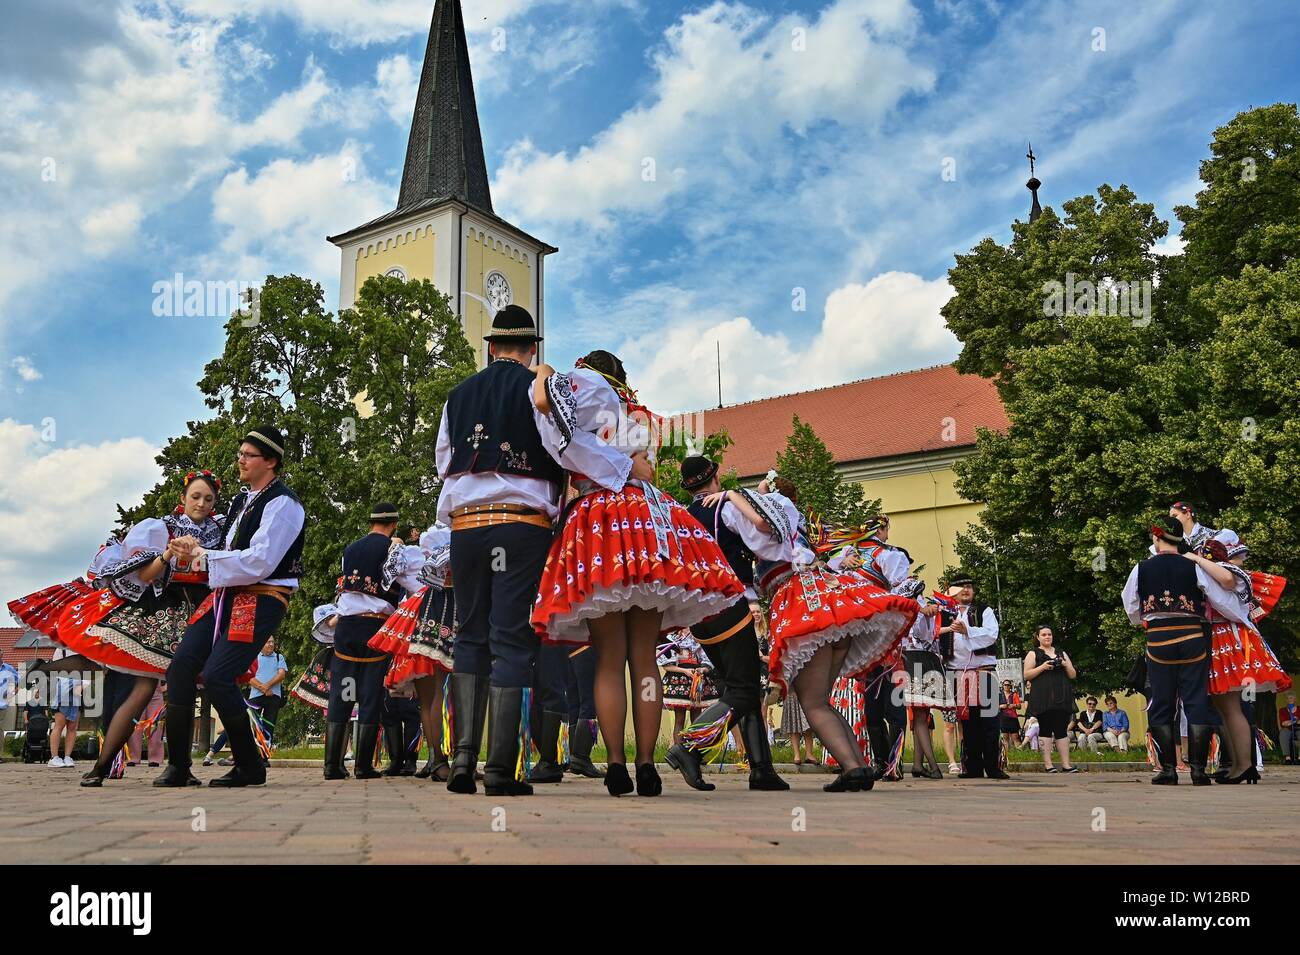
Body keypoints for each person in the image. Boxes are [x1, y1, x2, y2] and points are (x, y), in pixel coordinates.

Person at [439, 312, 644, 798]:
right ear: (531, 349)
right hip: (520, 524)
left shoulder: (457, 396)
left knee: (470, 636)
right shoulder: (543, 388)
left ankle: (462, 762)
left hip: (466, 526)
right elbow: (566, 448)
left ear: (491, 347)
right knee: (510, 639)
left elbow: (445, 461)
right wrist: (623, 469)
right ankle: (500, 770)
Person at [531, 350, 743, 797]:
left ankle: (614, 765)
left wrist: (544, 373)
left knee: (608, 659)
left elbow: (554, 420)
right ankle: (645, 764)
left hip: (603, 521)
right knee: (644, 659)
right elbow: (641, 464)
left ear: (589, 370)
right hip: (649, 521)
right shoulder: (639, 413)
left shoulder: (586, 387)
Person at [157, 426, 305, 788]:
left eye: (248, 455)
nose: (240, 459)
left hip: (261, 596)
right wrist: (186, 549)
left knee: (220, 676)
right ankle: (178, 767)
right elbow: (218, 546)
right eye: (240, 452)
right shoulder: (242, 502)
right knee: (181, 668)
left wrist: (205, 557)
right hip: (225, 595)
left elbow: (261, 561)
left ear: (270, 462)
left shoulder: (283, 503)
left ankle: (250, 765)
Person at [757, 479, 920, 792]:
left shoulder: (773, 521)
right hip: (834, 610)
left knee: (813, 702)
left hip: (806, 609)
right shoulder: (799, 526)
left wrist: (751, 497)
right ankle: (857, 766)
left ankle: (852, 767)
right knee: (822, 701)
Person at [665, 455, 791, 792]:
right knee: (745, 689)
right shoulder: (724, 507)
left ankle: (761, 768)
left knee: (736, 686)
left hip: (697, 613)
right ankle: (689, 749)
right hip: (730, 603)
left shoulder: (681, 515)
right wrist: (736, 495)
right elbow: (768, 530)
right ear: (715, 479)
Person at [1121, 514, 1252, 786]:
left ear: (1157, 538)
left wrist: (1148, 617)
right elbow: (1216, 598)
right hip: (1193, 637)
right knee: (1196, 701)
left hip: (1159, 639)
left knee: (1162, 703)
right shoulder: (1193, 565)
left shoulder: (1141, 568)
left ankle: (1168, 770)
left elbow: (1131, 607)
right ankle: (1198, 771)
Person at [324, 503, 419, 781]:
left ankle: (332, 766)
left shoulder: (350, 549)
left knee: (342, 690)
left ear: (371, 522)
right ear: (393, 524)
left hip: (346, 625)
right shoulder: (393, 549)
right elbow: (414, 584)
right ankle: (363, 766)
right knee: (370, 693)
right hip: (375, 625)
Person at [1188, 538, 1290, 784]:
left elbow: (1226, 581)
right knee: (1225, 708)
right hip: (1222, 639)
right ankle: (1239, 764)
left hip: (1230, 638)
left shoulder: (1232, 572)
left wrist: (1195, 559)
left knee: (1231, 708)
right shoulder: (1226, 571)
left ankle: (1245, 765)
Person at [368, 522, 454, 781]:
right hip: (450, 611)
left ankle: (436, 760)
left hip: (420, 612)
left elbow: (389, 574)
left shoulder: (414, 554)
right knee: (449, 692)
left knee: (428, 698)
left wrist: (398, 545)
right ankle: (453, 759)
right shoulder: (459, 540)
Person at [945, 574, 1007, 779]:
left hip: (984, 672)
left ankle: (993, 767)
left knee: (990, 722)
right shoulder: (945, 612)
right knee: (968, 724)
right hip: (959, 674)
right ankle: (972, 767)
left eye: (969, 586)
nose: (966, 589)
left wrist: (967, 630)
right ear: (951, 591)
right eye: (961, 586)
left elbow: (991, 633)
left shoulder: (983, 610)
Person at [898, 576, 951, 778]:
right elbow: (915, 631)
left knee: (923, 712)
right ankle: (933, 765)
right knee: (919, 713)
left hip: (924, 657)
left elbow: (927, 634)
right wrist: (923, 613)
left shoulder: (921, 604)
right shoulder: (902, 603)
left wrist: (929, 615)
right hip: (910, 657)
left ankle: (919, 764)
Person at [1023, 625, 1078, 773]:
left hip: (1061, 696)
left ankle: (1066, 765)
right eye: (1044, 635)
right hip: (1042, 697)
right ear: (1038, 637)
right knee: (1045, 728)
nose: (1047, 637)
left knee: (1061, 729)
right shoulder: (1033, 653)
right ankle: (1049, 765)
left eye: (1049, 634)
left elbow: (1072, 675)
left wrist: (1065, 664)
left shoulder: (1061, 652)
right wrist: (1043, 667)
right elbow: (1027, 675)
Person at [998, 680, 1023, 751]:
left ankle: (1019, 755)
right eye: (1005, 685)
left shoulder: (1014, 694)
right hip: (1003, 718)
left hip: (1013, 718)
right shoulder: (999, 695)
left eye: (1008, 685)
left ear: (1010, 686)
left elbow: (1019, 706)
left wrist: (1013, 705)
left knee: (1016, 738)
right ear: (1002, 686)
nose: (1006, 686)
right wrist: (1001, 706)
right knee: (1005, 739)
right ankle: (1007, 756)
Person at [1279, 692, 1299, 765]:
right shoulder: (1282, 710)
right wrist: (1295, 721)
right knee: (1283, 733)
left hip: (1299, 728)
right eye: (1287, 698)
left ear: (1295, 699)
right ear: (1286, 700)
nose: (1289, 700)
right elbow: (1283, 723)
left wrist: (1290, 721)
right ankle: (1287, 758)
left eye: (1291, 698)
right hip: (1287, 729)